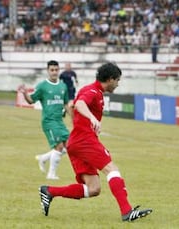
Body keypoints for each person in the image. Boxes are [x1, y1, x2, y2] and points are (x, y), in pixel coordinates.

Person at [38, 62, 153, 222]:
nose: (118, 84)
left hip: (77, 141)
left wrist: (81, 123)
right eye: (117, 80)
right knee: (112, 169)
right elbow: (79, 104)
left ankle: (49, 191)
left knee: (94, 189)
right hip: (84, 141)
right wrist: (91, 119)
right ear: (110, 79)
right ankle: (127, 211)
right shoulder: (92, 90)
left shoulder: (93, 91)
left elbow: (72, 106)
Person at [18, 60, 71, 180]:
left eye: (56, 70)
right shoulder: (43, 86)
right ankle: (51, 174)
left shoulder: (63, 86)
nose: (54, 72)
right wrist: (25, 93)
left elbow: (66, 104)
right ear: (48, 71)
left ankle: (44, 158)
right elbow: (31, 100)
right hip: (49, 121)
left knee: (70, 146)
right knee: (58, 147)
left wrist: (74, 118)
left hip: (59, 122)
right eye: (52, 70)